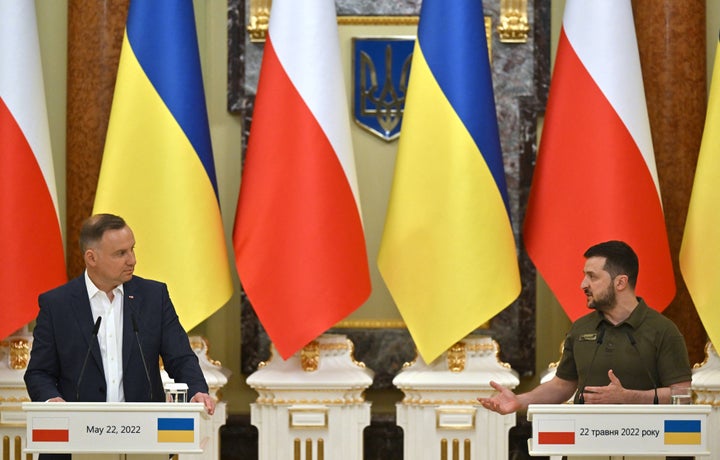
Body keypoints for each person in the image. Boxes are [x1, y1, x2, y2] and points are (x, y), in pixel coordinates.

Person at [24, 213, 216, 415]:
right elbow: (39, 372)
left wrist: (197, 390)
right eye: (120, 253)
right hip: (80, 432)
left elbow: (181, 358)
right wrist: (50, 399)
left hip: (142, 432)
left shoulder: (153, 297)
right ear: (91, 258)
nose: (132, 260)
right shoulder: (57, 305)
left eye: (132, 249)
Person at [479, 240, 692, 415]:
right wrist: (519, 401)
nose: (583, 284)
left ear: (620, 283)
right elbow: (561, 386)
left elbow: (682, 395)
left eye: (592, 276)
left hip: (647, 446)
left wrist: (629, 398)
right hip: (585, 445)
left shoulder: (664, 330)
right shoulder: (581, 328)